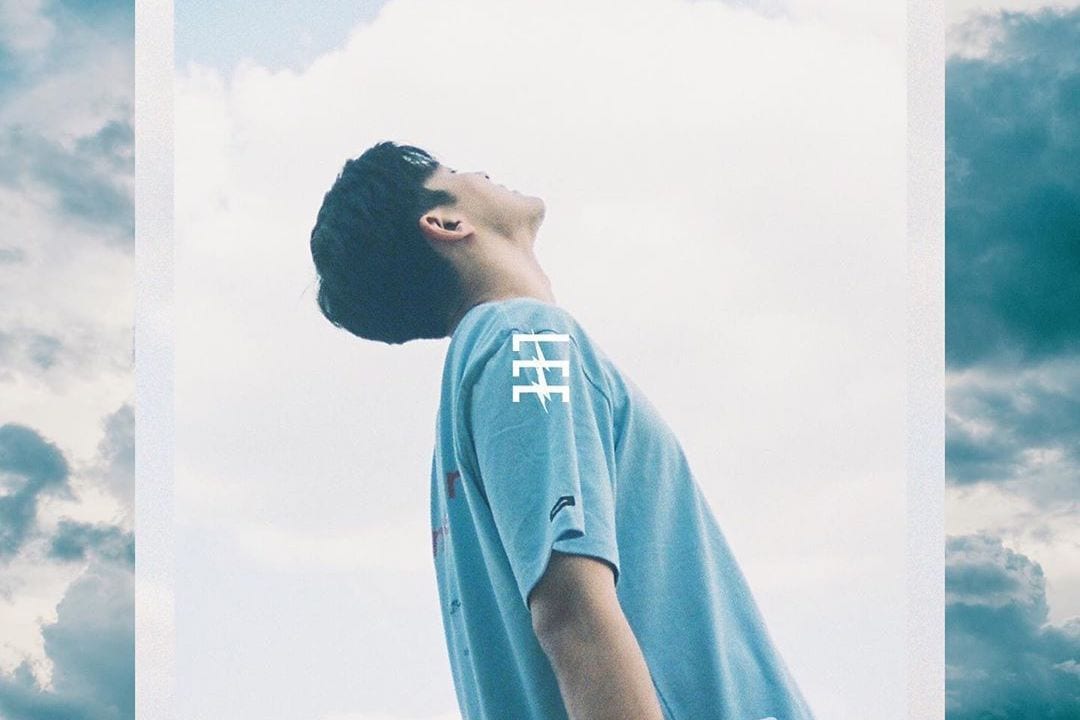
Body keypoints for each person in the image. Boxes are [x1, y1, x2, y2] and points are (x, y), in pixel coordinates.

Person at [309, 141, 817, 720]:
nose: (480, 170)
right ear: (446, 223)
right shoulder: (526, 341)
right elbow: (570, 612)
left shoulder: (479, 391)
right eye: (451, 171)